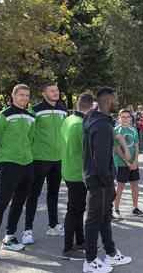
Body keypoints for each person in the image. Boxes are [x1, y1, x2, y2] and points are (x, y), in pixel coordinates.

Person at [82, 87, 131, 273]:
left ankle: (110, 253)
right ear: (108, 100)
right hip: (100, 180)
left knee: (104, 216)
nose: (117, 103)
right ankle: (90, 260)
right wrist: (107, 180)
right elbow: (100, 157)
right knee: (95, 218)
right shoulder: (101, 125)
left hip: (96, 178)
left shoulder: (91, 118)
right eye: (115, 100)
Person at [0, 84, 35, 261]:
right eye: (21, 95)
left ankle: (10, 237)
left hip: (27, 165)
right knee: (2, 203)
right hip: (9, 164)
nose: (24, 98)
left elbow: (30, 139)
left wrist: (27, 157)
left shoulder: (30, 116)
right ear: (13, 95)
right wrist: (2, 162)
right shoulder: (3, 116)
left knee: (19, 203)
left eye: (27, 95)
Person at [23, 81, 67, 245]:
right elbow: (28, 135)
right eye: (52, 90)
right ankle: (27, 230)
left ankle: (53, 226)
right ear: (44, 93)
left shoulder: (63, 110)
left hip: (58, 159)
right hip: (39, 159)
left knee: (53, 193)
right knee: (33, 194)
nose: (56, 93)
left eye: (57, 90)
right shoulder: (35, 110)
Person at [60, 94, 93, 260]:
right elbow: (87, 152)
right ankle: (67, 248)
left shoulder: (69, 119)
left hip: (68, 168)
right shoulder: (81, 125)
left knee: (78, 208)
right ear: (91, 107)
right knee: (74, 210)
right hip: (77, 173)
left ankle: (80, 241)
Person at [112, 109, 143, 219]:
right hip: (121, 163)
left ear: (130, 118)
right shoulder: (116, 130)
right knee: (120, 186)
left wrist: (135, 161)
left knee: (135, 184)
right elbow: (117, 149)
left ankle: (135, 207)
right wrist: (126, 162)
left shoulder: (133, 130)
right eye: (123, 116)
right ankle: (116, 209)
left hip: (133, 163)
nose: (125, 119)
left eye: (127, 116)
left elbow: (136, 146)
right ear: (119, 117)